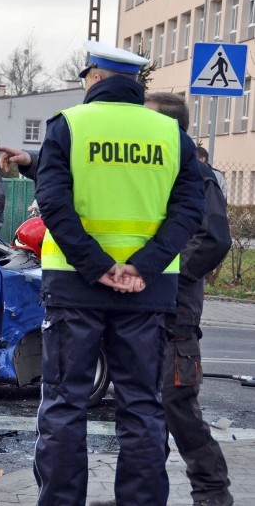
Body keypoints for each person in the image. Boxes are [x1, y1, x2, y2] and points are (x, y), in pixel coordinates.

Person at [32, 40, 204, 505]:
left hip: (74, 285)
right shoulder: (171, 135)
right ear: (134, 84)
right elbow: (190, 209)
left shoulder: (68, 125)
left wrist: (97, 266)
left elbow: (53, 203)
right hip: (147, 291)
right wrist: (142, 267)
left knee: (66, 405)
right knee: (142, 408)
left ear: (95, 79)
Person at [145, 92, 234, 506]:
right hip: (144, 307)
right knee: (145, 412)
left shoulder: (197, 173)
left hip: (175, 309)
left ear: (170, 126)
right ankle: (146, 493)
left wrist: (167, 272)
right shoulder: (156, 169)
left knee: (177, 405)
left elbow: (214, 238)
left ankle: (213, 495)